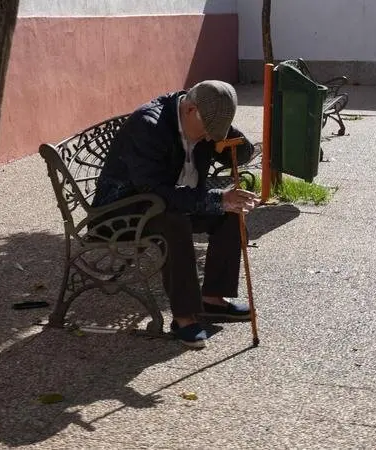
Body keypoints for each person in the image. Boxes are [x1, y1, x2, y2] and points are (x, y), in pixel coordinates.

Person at [92, 80, 259, 348]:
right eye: (207, 130)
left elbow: (243, 154)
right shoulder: (149, 126)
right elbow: (155, 191)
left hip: (171, 199)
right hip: (125, 209)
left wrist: (227, 141)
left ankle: (213, 299)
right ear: (191, 109)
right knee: (175, 222)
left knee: (230, 214)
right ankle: (183, 316)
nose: (208, 137)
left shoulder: (204, 116)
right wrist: (217, 198)